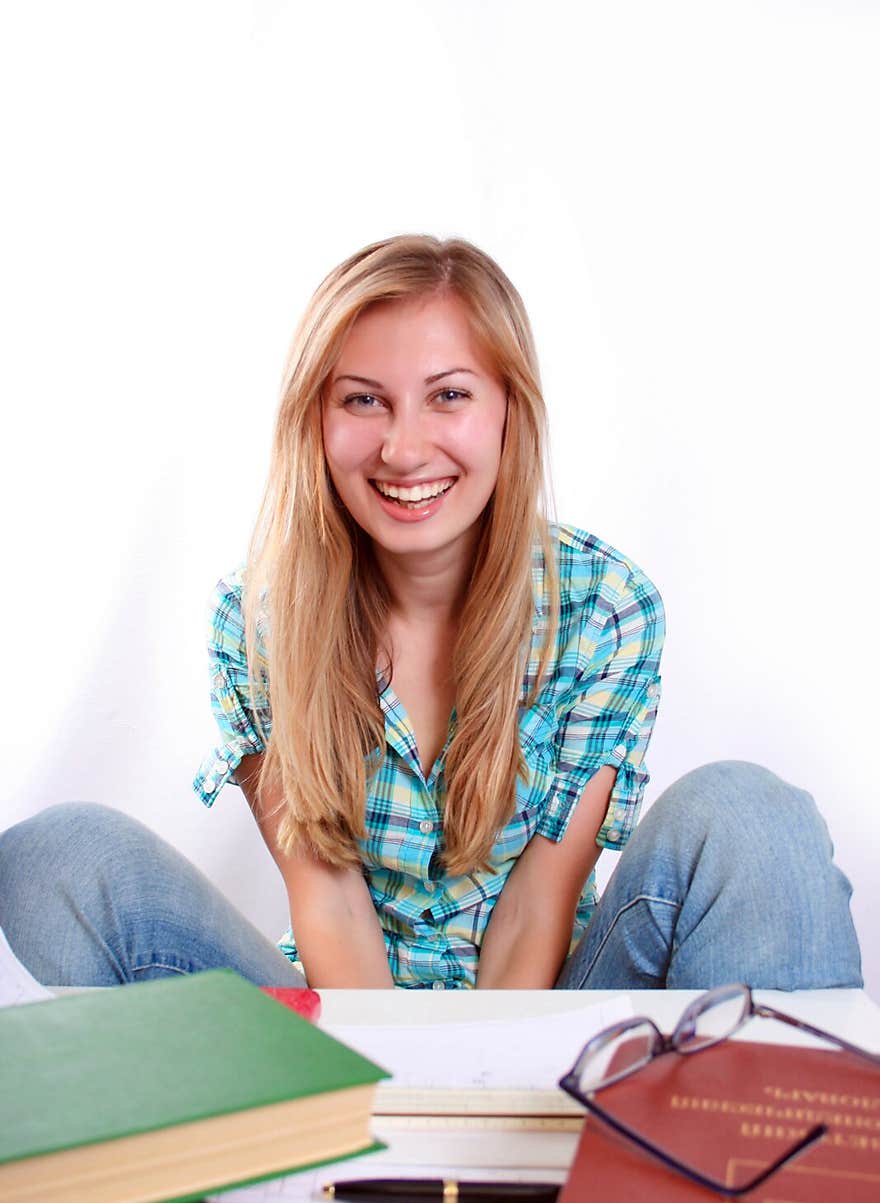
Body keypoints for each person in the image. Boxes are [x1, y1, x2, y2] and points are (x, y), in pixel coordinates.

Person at [0, 236, 863, 992]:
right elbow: (328, 899)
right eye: (362, 399)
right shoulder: (257, 615)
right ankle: (256, 1155)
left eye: (448, 395)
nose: (403, 448)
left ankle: (754, 1174)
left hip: (549, 1015)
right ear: (317, 419)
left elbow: (537, 907)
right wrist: (386, 1097)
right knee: (54, 857)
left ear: (506, 413)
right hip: (341, 1025)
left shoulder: (605, 604)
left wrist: (482, 1085)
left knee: (753, 814)